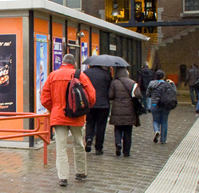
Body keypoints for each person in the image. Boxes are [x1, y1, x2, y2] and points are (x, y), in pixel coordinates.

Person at [41, 54, 97, 186]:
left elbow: (44, 99)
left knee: (61, 147)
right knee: (78, 144)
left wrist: (54, 108)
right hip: (76, 116)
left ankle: (63, 177)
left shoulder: (53, 75)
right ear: (74, 63)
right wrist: (82, 109)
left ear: (63, 63)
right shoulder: (80, 75)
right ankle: (81, 172)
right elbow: (92, 96)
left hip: (58, 116)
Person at [108, 67, 141, 157]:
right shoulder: (132, 83)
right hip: (130, 110)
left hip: (117, 109)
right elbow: (138, 95)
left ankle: (118, 143)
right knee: (128, 131)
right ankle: (126, 151)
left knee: (118, 129)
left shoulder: (114, 83)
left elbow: (110, 95)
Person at [83, 65, 112, 155]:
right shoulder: (107, 74)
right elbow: (110, 89)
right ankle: (99, 148)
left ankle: (89, 139)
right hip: (103, 104)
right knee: (101, 125)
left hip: (90, 103)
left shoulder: (86, 73)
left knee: (90, 122)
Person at [147, 70, 176, 144]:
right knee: (164, 121)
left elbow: (148, 94)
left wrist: (154, 96)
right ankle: (163, 140)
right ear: (163, 77)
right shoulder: (167, 84)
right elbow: (174, 92)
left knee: (155, 120)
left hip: (154, 105)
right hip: (165, 105)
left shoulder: (151, 83)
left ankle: (156, 131)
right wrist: (172, 83)